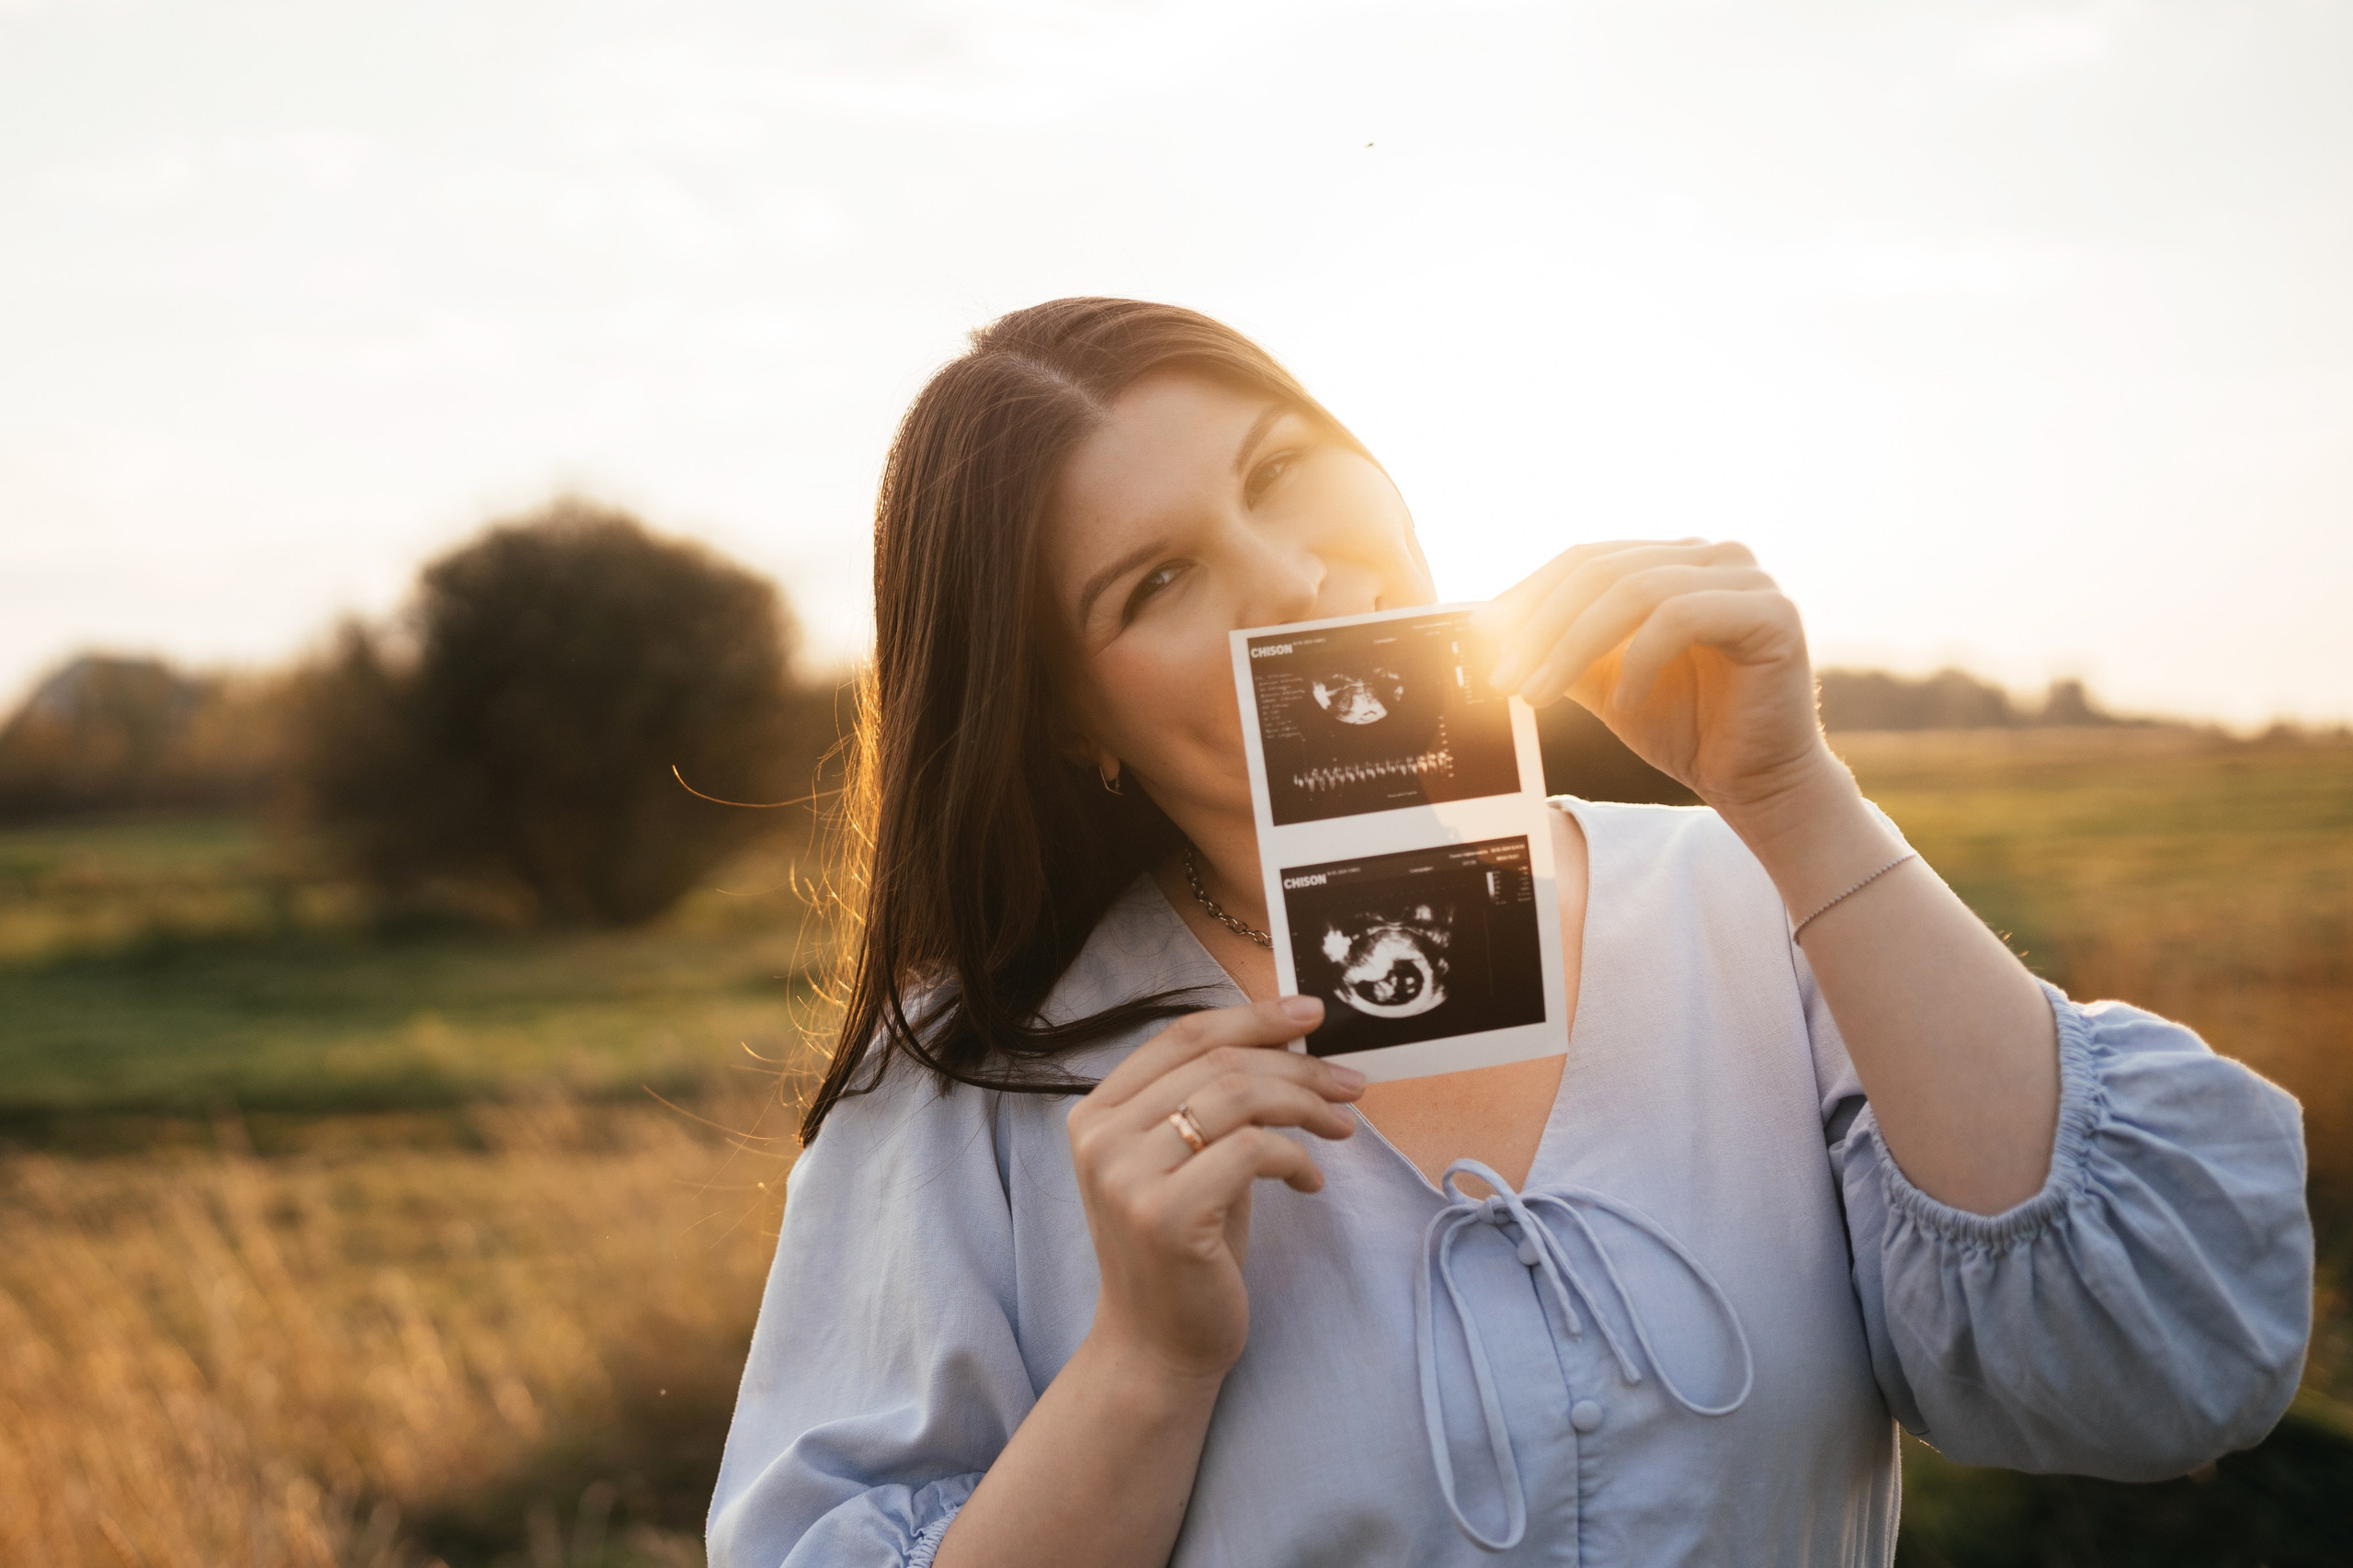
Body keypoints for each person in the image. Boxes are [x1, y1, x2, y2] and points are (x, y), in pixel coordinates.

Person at [706, 299, 2312, 1567]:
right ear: (1072, 719)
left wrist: (1795, 794)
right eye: (1160, 581)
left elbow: (2165, 1376)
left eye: (1280, 473)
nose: (1287, 575)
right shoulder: (969, 1085)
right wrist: (1143, 1365)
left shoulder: (1746, 903)